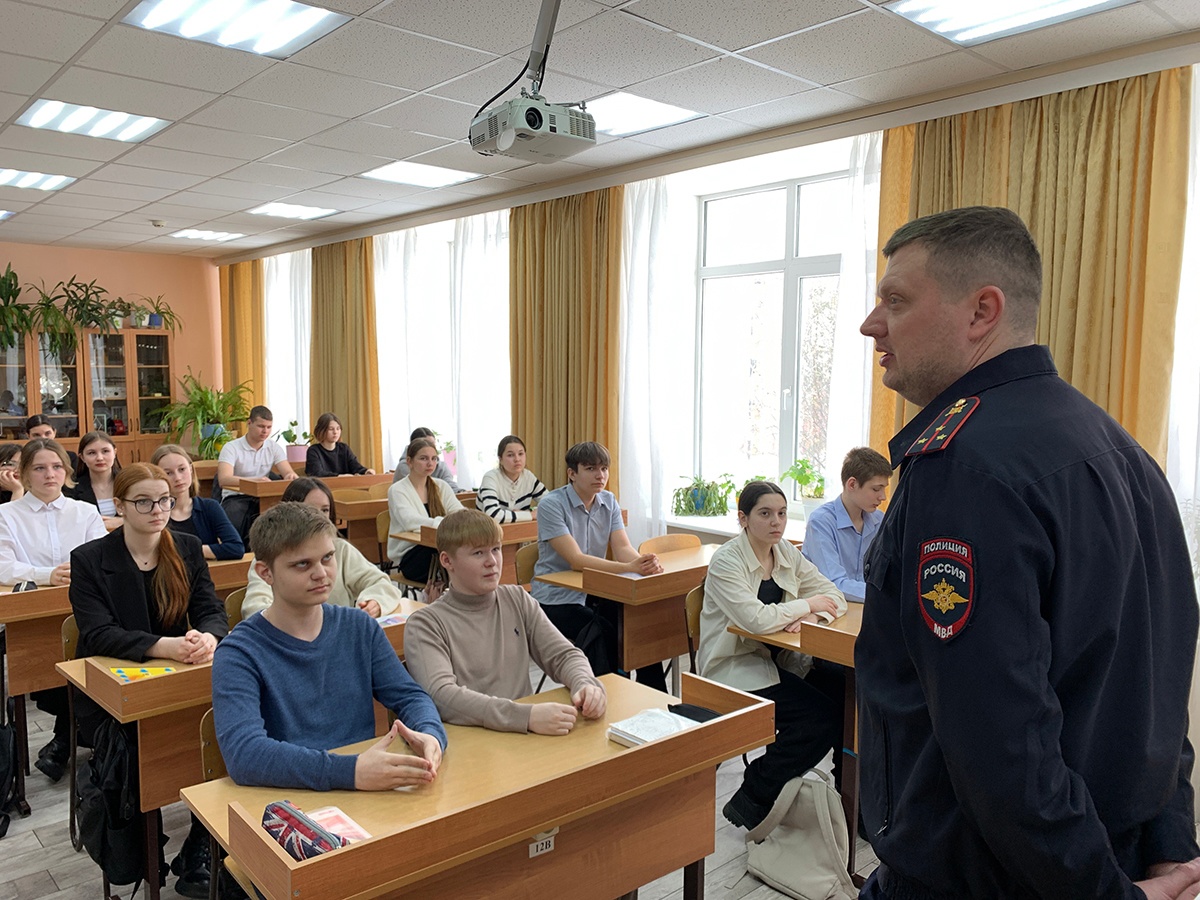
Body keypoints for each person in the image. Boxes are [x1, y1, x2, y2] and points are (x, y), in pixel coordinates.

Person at [856, 206, 1200, 900]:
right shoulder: (1122, 450)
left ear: (982, 311)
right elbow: (1156, 690)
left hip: (992, 877)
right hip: (1101, 853)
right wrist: (1168, 847)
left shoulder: (965, 468)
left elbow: (998, 742)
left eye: (896, 299)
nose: (872, 323)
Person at [69, 462, 229, 898]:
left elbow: (211, 607)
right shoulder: (89, 559)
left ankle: (200, 844)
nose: (158, 509)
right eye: (143, 501)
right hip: (110, 693)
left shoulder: (187, 547)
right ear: (119, 505)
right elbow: (98, 633)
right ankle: (143, 850)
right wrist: (165, 646)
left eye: (164, 499)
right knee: (140, 754)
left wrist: (209, 637)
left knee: (221, 733)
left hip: (182, 675)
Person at [211, 502, 447, 792]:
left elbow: (411, 697)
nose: (321, 573)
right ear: (265, 573)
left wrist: (430, 734)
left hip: (362, 788)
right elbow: (245, 755)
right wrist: (351, 771)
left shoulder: (359, 627)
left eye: (327, 558)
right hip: (289, 798)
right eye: (302, 564)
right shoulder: (239, 652)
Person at [698, 481, 846, 830]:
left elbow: (832, 592)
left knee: (845, 693)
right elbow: (755, 619)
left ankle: (849, 801)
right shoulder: (726, 561)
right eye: (765, 514)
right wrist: (805, 604)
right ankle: (753, 796)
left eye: (781, 513)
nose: (776, 522)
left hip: (781, 660)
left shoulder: (785, 552)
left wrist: (812, 615)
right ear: (743, 518)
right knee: (820, 717)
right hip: (735, 666)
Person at [404, 509, 606, 734]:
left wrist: (585, 683)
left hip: (522, 736)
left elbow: (563, 655)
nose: (492, 562)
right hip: (471, 743)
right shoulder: (425, 624)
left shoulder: (516, 598)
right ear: (447, 560)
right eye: (478, 553)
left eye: (496, 549)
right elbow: (442, 696)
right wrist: (524, 716)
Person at [0, 438, 106, 780]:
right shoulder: (6, 514)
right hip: (32, 614)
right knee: (43, 669)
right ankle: (69, 739)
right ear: (23, 474)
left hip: (84, 608)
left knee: (90, 664)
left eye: (57, 466)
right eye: (40, 468)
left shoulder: (85, 511)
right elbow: (2, 565)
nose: (50, 474)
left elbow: (101, 558)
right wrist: (46, 574)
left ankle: (63, 742)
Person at [530, 441, 667, 690]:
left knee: (640, 622)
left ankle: (654, 695)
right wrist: (632, 567)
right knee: (604, 631)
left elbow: (623, 548)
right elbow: (576, 560)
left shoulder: (609, 501)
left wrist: (641, 562)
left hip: (596, 591)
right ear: (572, 473)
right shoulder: (551, 504)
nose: (600, 475)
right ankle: (610, 694)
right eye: (591, 468)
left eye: (604, 468)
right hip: (556, 598)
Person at [241, 477, 403, 619]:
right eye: (309, 509)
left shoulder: (340, 549)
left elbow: (380, 581)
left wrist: (374, 602)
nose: (318, 517)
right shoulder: (272, 555)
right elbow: (255, 606)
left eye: (325, 510)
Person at [801, 446, 890, 602]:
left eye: (884, 489)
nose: (882, 497)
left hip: (864, 606)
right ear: (852, 484)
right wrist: (884, 595)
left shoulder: (879, 520)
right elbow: (834, 583)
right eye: (876, 489)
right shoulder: (821, 522)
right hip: (829, 608)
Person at [387, 437, 465, 585]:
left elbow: (459, 513)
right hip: (411, 555)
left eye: (434, 458)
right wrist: (445, 524)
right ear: (409, 461)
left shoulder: (441, 486)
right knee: (454, 557)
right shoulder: (397, 490)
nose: (430, 463)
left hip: (438, 547)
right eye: (423, 458)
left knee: (465, 553)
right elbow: (410, 522)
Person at [216, 405, 297, 541]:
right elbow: (224, 479)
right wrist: (254, 481)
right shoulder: (231, 447)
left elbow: (288, 471)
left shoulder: (273, 447)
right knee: (238, 515)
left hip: (262, 496)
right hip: (236, 497)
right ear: (249, 423)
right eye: (261, 426)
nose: (265, 431)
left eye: (269, 427)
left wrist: (290, 476)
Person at [151, 443, 244, 560]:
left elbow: (236, 548)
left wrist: (190, 549)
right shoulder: (154, 512)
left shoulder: (209, 507)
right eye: (168, 473)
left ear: (190, 469)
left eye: (182, 469)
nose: (178, 478)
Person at [477, 434, 546, 523]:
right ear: (500, 459)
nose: (517, 459)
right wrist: (530, 515)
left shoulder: (528, 477)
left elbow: (552, 504)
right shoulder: (491, 478)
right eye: (510, 455)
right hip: (488, 533)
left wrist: (529, 513)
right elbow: (493, 515)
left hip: (520, 532)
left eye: (521, 454)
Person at [67, 430, 122, 525]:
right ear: (82, 457)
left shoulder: (130, 484)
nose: (100, 458)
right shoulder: (72, 488)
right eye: (92, 453)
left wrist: (123, 521)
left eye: (105, 451)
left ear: (115, 452)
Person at [304, 412, 375, 476]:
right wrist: (339, 477)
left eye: (338, 429)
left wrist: (366, 471)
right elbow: (317, 473)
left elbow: (355, 466)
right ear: (321, 431)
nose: (335, 432)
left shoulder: (344, 448)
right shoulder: (313, 451)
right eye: (331, 429)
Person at [391, 427, 460, 490]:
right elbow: (418, 491)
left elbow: (450, 486)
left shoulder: (441, 465)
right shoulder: (404, 466)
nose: (430, 448)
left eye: (433, 445)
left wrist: (460, 492)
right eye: (425, 444)